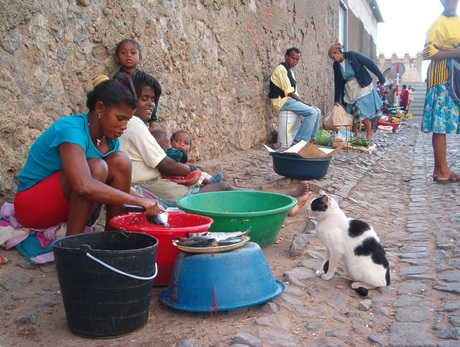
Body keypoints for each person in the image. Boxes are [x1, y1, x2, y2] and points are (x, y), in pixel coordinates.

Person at [122, 72, 311, 216]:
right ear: (130, 98)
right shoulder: (135, 124)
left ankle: (282, 203)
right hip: (152, 185)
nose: (150, 105)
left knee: (223, 188)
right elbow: (165, 164)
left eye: (153, 100)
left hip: (156, 183)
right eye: (144, 99)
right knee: (222, 189)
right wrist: (194, 172)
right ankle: (281, 205)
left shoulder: (133, 124)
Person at [13, 74, 162, 236]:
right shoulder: (71, 130)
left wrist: (148, 203)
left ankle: (114, 238)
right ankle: (72, 246)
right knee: (96, 168)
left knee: (121, 161)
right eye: (120, 119)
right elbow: (83, 185)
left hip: (64, 206)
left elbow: (119, 188)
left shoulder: (111, 139)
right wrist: (139, 200)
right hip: (31, 207)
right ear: (100, 108)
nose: (124, 126)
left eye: (127, 120)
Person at [421, 0, 460, 182]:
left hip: (454, 79)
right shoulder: (438, 23)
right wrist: (456, 52)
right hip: (441, 79)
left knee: (444, 124)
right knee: (439, 125)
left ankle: (441, 170)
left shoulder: (457, 22)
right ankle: (441, 170)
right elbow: (429, 52)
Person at [328, 43, 386, 140]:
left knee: (360, 110)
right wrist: (336, 99)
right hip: (350, 90)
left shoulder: (352, 55)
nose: (333, 60)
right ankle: (354, 135)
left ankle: (369, 132)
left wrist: (381, 77)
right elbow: (337, 82)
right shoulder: (336, 65)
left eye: (333, 57)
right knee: (351, 113)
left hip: (361, 87)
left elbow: (369, 63)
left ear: (338, 52)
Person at [268, 47, 321, 145]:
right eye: (293, 58)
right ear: (286, 57)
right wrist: (304, 103)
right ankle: (299, 140)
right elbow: (290, 92)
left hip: (289, 101)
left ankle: (311, 139)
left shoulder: (290, 72)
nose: (295, 61)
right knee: (311, 112)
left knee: (317, 110)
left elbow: (295, 93)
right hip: (281, 102)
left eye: (297, 60)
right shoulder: (281, 69)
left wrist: (304, 103)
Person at [113, 39, 160, 131]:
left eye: (133, 53)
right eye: (123, 53)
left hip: (143, 119)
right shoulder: (118, 79)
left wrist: (152, 121)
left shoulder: (145, 79)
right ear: (117, 58)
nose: (128, 55)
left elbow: (153, 101)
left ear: (140, 58)